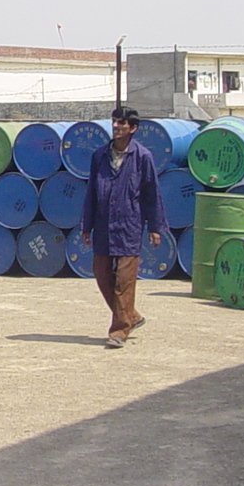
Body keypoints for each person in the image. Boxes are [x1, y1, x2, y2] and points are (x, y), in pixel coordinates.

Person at [81, 107, 168, 348]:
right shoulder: (99, 156)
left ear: (133, 128)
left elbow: (152, 194)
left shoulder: (142, 157)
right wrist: (86, 226)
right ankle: (131, 315)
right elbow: (91, 193)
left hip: (129, 225)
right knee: (101, 273)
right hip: (103, 224)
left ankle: (119, 330)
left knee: (124, 280)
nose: (117, 127)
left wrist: (155, 227)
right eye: (114, 122)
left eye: (121, 123)